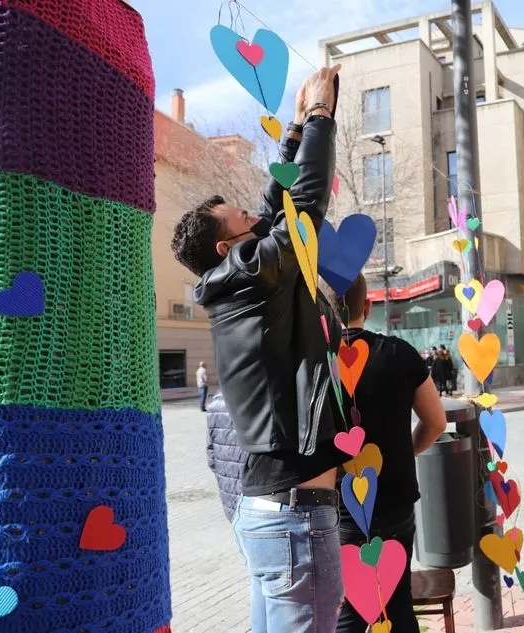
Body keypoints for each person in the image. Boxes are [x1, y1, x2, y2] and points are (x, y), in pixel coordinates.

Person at [170, 65, 345, 633]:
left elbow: (273, 210)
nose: (256, 217)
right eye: (241, 219)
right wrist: (320, 117)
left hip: (271, 514)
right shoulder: (249, 275)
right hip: (295, 520)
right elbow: (304, 208)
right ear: (230, 247)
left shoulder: (236, 280)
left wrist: (293, 130)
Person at [322, 274, 447, 633]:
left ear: (324, 309)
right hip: (394, 500)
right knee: (397, 603)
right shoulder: (400, 353)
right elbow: (436, 422)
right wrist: (404, 452)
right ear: (368, 305)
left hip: (339, 507)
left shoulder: (316, 361)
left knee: (350, 610)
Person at [205, 392, 247, 524]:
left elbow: (211, 455)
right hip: (255, 492)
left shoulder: (214, 405)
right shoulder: (257, 400)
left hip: (228, 491)